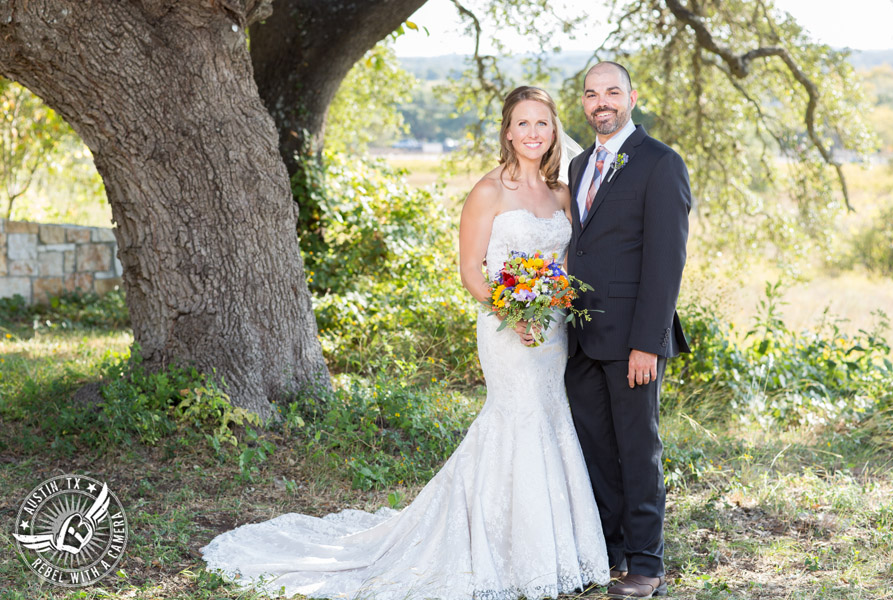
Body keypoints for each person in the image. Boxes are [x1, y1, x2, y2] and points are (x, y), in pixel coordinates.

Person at [201, 86, 610, 600]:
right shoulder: (488, 192)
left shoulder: (560, 194)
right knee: (518, 417)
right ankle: (508, 553)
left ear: (554, 131)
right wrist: (513, 311)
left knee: (551, 417)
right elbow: (470, 272)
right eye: (522, 124)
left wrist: (552, 302)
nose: (533, 134)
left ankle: (553, 548)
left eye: (542, 124)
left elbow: (567, 264)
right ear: (507, 131)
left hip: (551, 331)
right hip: (506, 330)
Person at [562, 61, 692, 599]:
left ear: (632, 97)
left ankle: (646, 565)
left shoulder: (660, 164)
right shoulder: (578, 166)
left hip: (633, 339)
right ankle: (610, 553)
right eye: (592, 95)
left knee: (638, 450)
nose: (601, 103)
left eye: (612, 92)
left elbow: (666, 262)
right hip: (580, 338)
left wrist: (647, 343)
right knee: (596, 449)